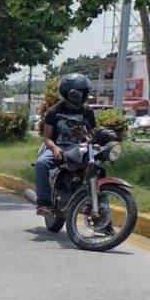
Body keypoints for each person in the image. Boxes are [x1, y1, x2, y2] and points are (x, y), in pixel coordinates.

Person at [35, 73, 96, 217]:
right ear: (72, 93)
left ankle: (92, 202)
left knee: (96, 167)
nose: (85, 95)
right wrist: (55, 148)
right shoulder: (54, 111)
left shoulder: (87, 111)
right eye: (82, 92)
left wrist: (84, 137)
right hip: (59, 148)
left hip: (80, 149)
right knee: (41, 164)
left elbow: (92, 134)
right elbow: (47, 138)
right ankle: (44, 203)